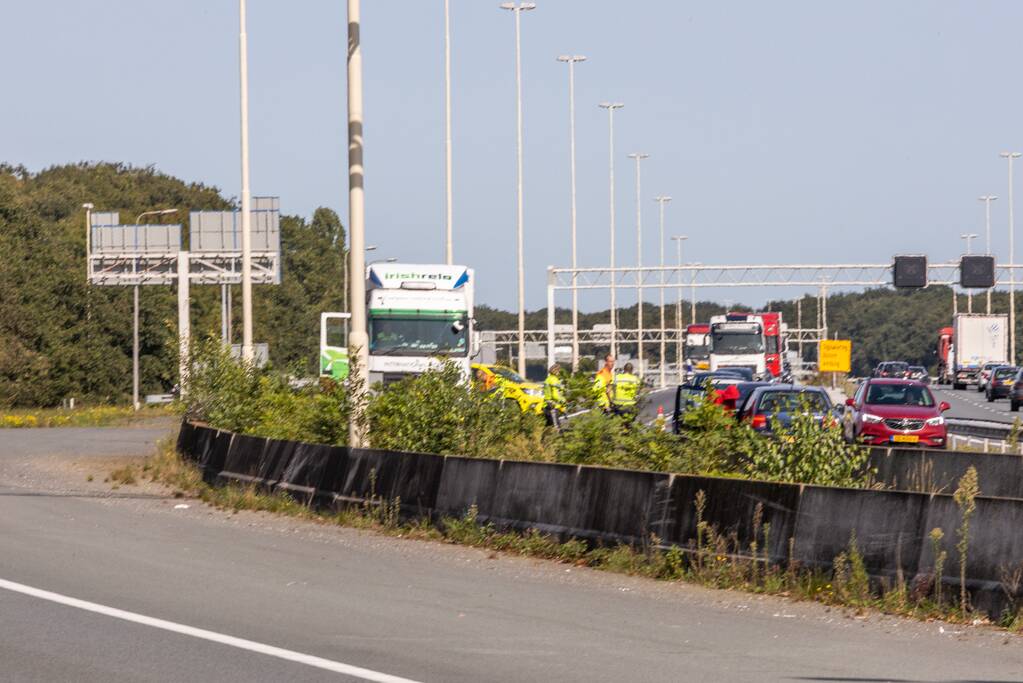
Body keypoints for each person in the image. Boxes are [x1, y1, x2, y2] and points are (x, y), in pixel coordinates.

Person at [543, 363, 566, 428]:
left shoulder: (548, 379)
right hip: (552, 406)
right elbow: (555, 395)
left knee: (548, 426)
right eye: (558, 371)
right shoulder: (554, 380)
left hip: (546, 405)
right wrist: (563, 400)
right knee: (557, 427)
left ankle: (542, 438)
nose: (559, 372)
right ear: (556, 371)